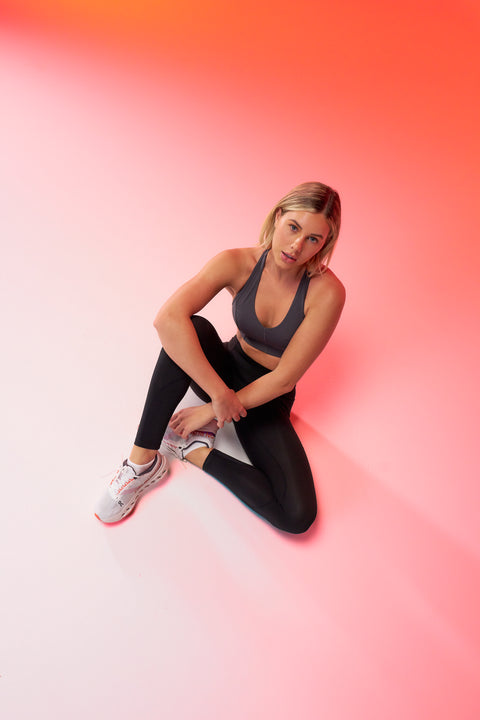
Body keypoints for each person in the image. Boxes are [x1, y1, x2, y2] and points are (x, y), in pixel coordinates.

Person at [95, 182, 345, 534]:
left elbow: (285, 378)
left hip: (268, 396)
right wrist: (218, 395)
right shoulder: (236, 262)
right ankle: (142, 463)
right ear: (278, 217)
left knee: (297, 515)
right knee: (190, 328)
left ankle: (194, 451)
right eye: (293, 227)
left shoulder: (327, 292)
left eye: (313, 239)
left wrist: (212, 410)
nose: (296, 246)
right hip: (226, 368)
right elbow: (166, 319)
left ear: (324, 244)